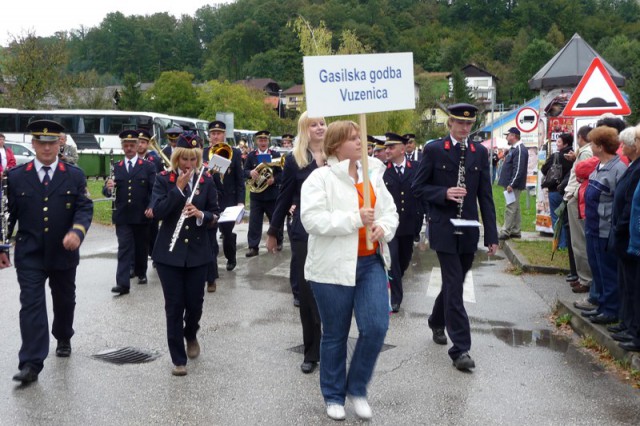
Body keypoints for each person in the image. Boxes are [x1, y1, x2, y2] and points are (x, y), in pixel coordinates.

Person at [301, 120, 398, 421]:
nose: (361, 142)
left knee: (376, 327)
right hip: (331, 269)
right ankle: (333, 395)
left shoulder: (373, 175)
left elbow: (390, 213)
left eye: (360, 137)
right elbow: (313, 220)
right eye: (353, 138)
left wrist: (383, 226)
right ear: (335, 146)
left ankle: (356, 388)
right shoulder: (320, 179)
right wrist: (356, 218)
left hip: (370, 263)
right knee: (335, 334)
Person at [1, 119, 93, 384]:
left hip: (63, 252)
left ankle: (63, 335)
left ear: (59, 143)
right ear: (33, 144)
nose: (46, 147)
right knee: (31, 305)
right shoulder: (17, 176)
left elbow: (84, 208)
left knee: (64, 300)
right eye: (41, 142)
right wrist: (2, 246)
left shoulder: (73, 175)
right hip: (29, 253)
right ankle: (31, 362)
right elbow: (7, 215)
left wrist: (77, 231)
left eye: (51, 142)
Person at [412, 103, 498, 371]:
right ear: (450, 123)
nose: (464, 128)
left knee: (454, 282)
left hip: (469, 227)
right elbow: (418, 187)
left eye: (469, 124)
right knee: (455, 285)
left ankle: (437, 320)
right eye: (460, 123)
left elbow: (485, 195)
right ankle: (460, 349)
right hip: (444, 226)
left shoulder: (479, 152)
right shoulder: (435, 149)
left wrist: (491, 235)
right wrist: (444, 193)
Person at [151, 132, 220, 376]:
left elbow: (215, 214)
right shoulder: (163, 180)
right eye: (184, 159)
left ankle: (190, 333)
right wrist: (178, 191)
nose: (188, 165)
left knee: (195, 305)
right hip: (169, 254)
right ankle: (178, 359)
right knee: (174, 306)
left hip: (198, 254)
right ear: (177, 158)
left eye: (193, 159)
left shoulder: (206, 181)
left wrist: (202, 215)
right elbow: (157, 211)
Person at [266, 112, 325, 374]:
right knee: (307, 292)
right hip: (303, 232)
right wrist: (274, 230)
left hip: (333, 232)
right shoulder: (295, 160)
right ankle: (311, 351)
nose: (320, 127)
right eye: (314, 124)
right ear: (304, 129)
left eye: (323, 123)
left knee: (332, 292)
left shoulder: (337, 155)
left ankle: (332, 346)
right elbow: (284, 196)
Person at [580, 126, 627, 325]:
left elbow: (620, 200)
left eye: (592, 143)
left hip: (605, 228)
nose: (590, 146)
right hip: (593, 225)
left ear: (600, 146)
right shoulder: (600, 166)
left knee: (607, 270)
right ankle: (601, 304)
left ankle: (611, 309)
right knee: (597, 267)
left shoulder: (617, 169)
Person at [104, 130, 157, 295]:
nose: (129, 148)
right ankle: (122, 283)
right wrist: (107, 187)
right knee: (124, 248)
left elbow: (154, 190)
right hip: (123, 215)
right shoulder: (117, 167)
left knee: (141, 247)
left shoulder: (147, 166)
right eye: (125, 145)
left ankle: (141, 272)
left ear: (136, 146)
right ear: (122, 147)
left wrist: (151, 206)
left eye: (132, 145)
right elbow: (107, 193)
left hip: (141, 214)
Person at [607, 126, 640, 345]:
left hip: (629, 233)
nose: (622, 148)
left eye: (625, 144)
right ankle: (628, 324)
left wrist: (621, 224)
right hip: (625, 233)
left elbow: (631, 202)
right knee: (627, 282)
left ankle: (635, 330)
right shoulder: (633, 166)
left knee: (634, 285)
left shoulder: (637, 168)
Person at [383, 132, 418, 313]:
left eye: (391, 147)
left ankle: (397, 278)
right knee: (393, 260)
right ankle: (395, 298)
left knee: (404, 259)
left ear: (403, 149)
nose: (387, 150)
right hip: (390, 226)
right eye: (386, 147)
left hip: (409, 224)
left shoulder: (416, 168)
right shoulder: (382, 171)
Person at [204, 121, 245, 275]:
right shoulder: (204, 152)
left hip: (228, 199)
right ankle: (212, 268)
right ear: (209, 136)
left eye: (219, 133)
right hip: (209, 200)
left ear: (224, 135)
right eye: (213, 133)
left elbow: (239, 180)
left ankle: (231, 257)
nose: (216, 136)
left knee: (227, 233)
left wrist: (240, 202)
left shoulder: (234, 153)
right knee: (210, 234)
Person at [564, 126, 595, 298]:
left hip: (577, 199)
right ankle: (582, 277)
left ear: (581, 137)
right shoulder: (582, 152)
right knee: (577, 240)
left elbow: (582, 177)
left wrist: (573, 194)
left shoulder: (586, 152)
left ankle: (585, 279)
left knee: (579, 241)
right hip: (576, 197)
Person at [244, 130, 282, 257]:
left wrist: (274, 180)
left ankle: (278, 241)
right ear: (256, 141)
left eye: (265, 140)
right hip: (256, 196)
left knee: (275, 219)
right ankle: (253, 247)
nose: (263, 142)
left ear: (268, 141)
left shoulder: (275, 154)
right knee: (254, 222)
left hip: (271, 194)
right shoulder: (251, 156)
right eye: (260, 140)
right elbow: (243, 172)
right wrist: (250, 173)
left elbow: (282, 173)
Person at [541, 133, 574, 249]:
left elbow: (544, 169)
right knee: (566, 219)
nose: (556, 143)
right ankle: (568, 244)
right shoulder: (575, 156)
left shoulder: (556, 156)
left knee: (556, 218)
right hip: (570, 191)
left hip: (555, 190)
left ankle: (561, 244)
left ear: (565, 144)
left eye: (559, 142)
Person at [498, 127, 528, 240]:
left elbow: (519, 168)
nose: (506, 137)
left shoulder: (519, 149)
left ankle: (506, 230)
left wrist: (512, 184)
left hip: (513, 184)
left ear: (514, 136)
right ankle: (515, 230)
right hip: (510, 183)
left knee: (510, 207)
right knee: (515, 207)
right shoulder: (514, 148)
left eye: (508, 135)